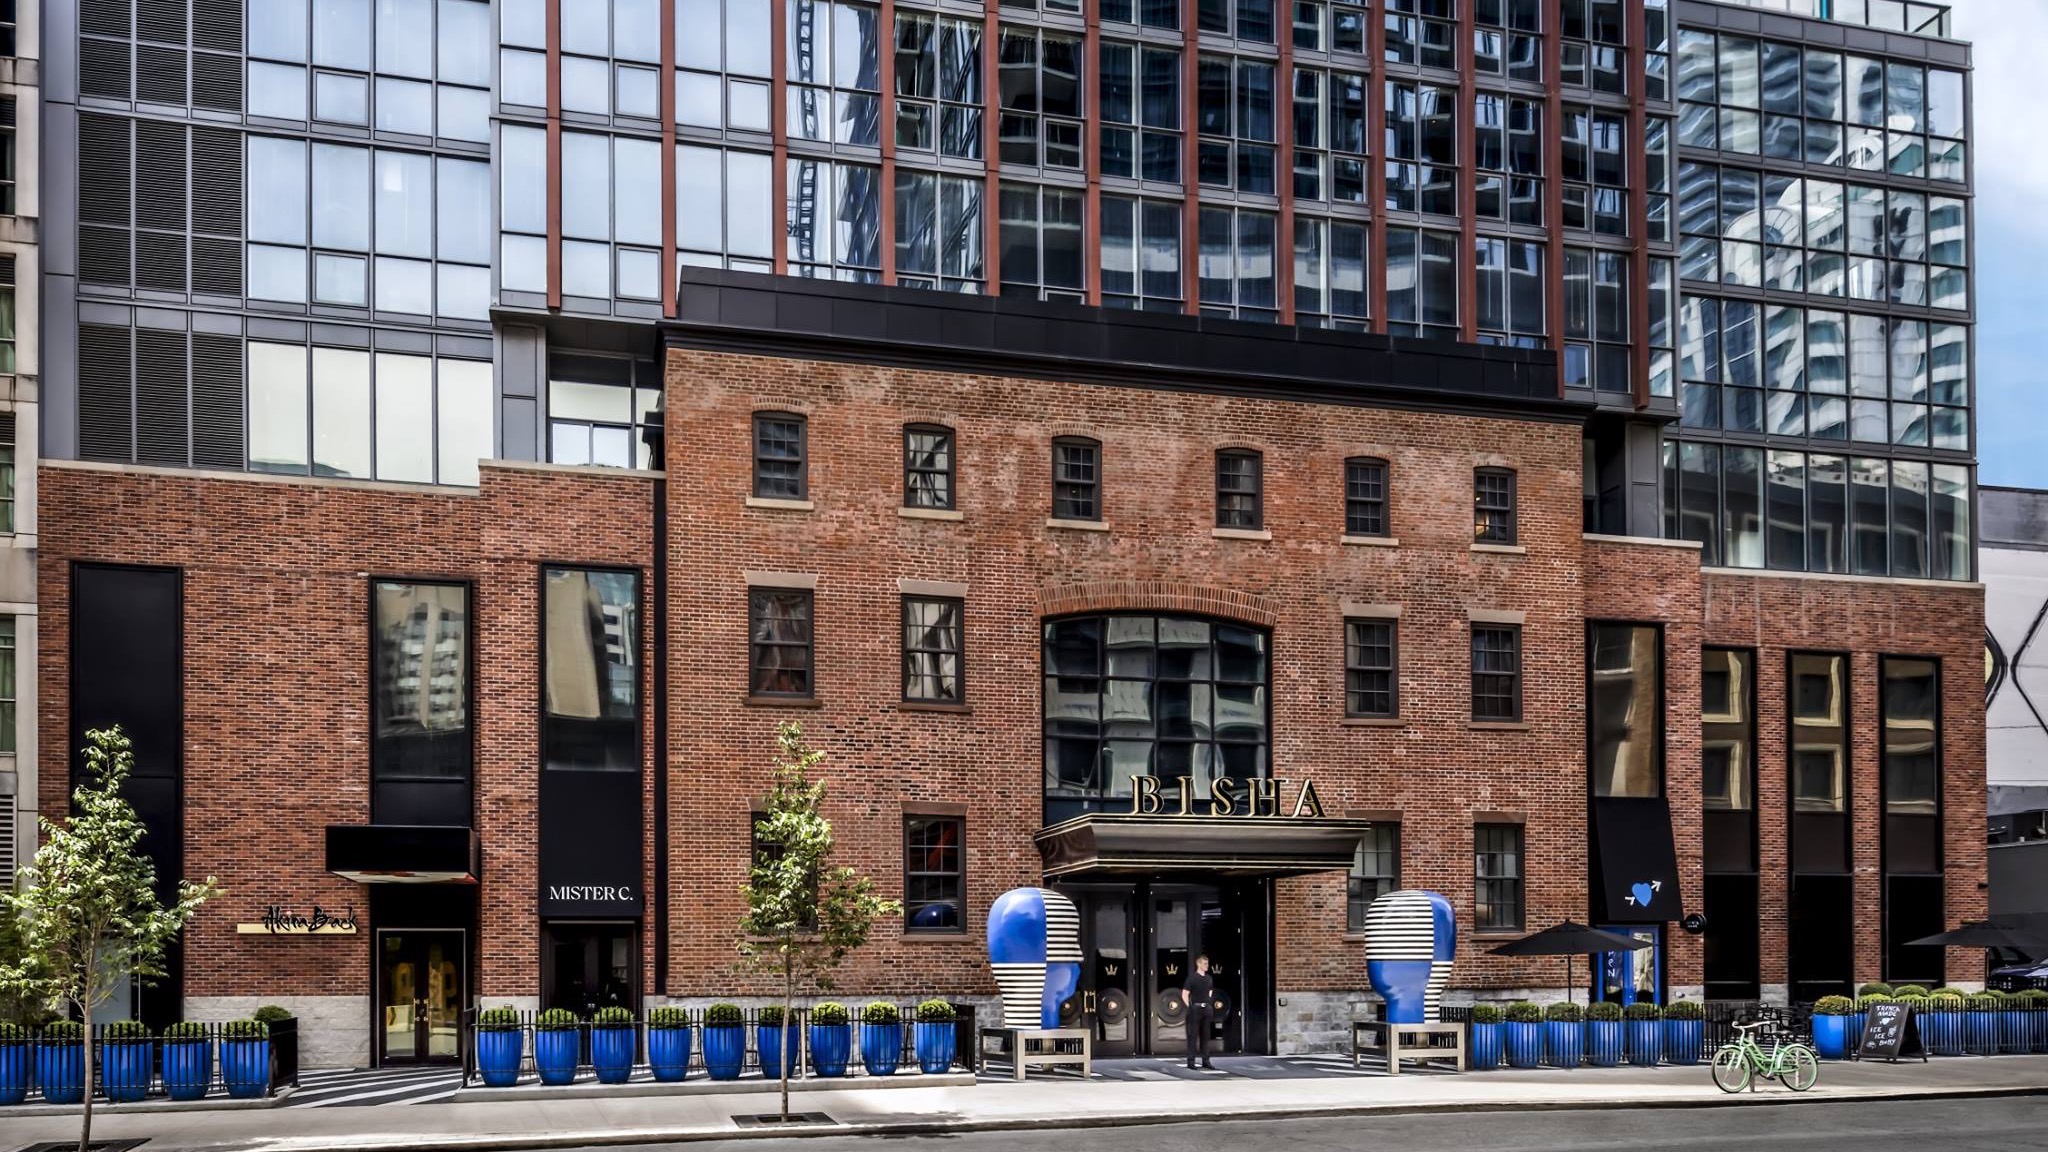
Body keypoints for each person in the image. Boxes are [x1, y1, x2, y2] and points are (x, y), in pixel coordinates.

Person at [1182, 954, 1216, 1069]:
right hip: (1195, 1009)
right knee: (1193, 1036)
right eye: (1205, 963)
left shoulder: (1209, 978)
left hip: (1206, 1008)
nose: (1207, 966)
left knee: (1205, 1036)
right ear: (1199, 964)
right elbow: (1185, 994)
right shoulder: (1192, 978)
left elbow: (1210, 991)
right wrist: (1190, 1006)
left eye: (1207, 963)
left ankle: (1206, 1061)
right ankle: (1191, 1062)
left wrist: (1208, 1003)